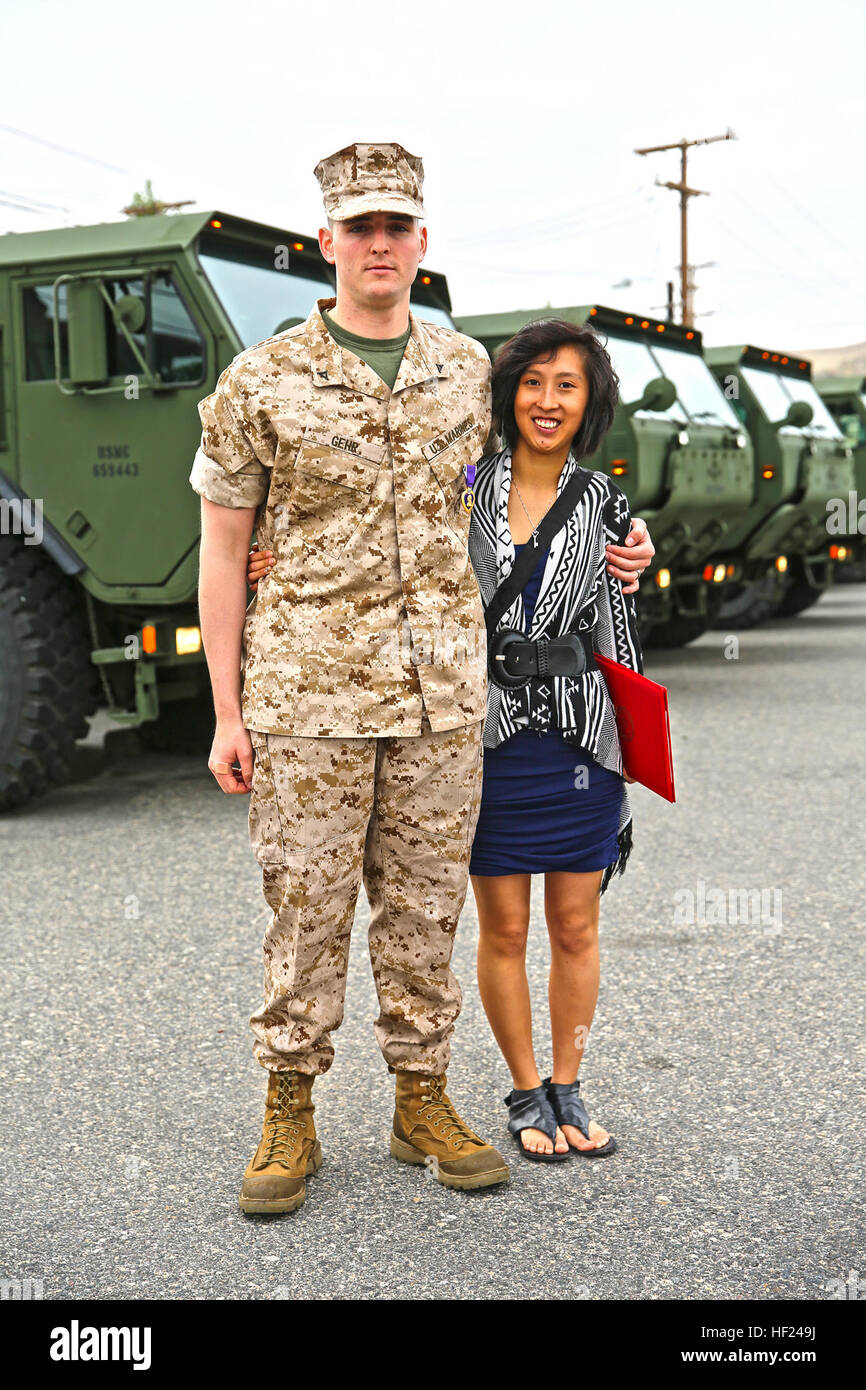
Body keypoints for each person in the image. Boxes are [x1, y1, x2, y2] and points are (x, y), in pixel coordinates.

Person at [216, 142, 656, 1215]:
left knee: (423, 912)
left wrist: (620, 541)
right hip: (306, 701)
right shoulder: (259, 380)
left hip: (443, 704)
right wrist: (226, 711)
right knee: (306, 911)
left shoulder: (468, 371)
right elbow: (225, 548)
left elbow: (538, 476)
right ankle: (289, 1111)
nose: (376, 243)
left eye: (395, 226)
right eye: (357, 226)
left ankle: (421, 1097)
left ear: (422, 242)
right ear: (325, 242)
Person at [468, 318, 644, 1162]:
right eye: (533, 382)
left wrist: (635, 755)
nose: (547, 401)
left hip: (581, 740)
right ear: (509, 394)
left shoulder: (607, 504)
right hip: (486, 738)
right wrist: (277, 557)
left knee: (575, 927)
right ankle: (524, 1089)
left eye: (566, 385)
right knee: (502, 929)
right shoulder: (460, 489)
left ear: (588, 401)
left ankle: (569, 1084)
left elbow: (622, 626)